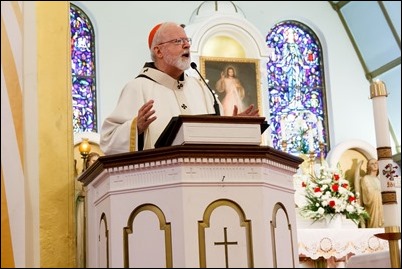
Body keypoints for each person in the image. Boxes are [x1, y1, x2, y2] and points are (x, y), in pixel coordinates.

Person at [100, 22, 259, 155]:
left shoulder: (201, 88)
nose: (187, 45)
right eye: (178, 41)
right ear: (158, 51)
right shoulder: (138, 88)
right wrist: (136, 128)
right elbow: (108, 141)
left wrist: (236, 125)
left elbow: (216, 135)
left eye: (186, 40)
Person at [356, 159, 384, 228]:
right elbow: (368, 193)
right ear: (368, 167)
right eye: (372, 164)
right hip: (372, 206)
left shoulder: (379, 179)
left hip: (381, 206)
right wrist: (380, 193)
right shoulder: (365, 178)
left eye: (376, 163)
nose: (375, 165)